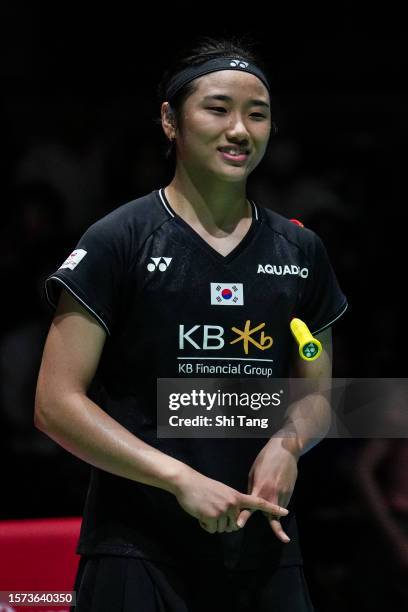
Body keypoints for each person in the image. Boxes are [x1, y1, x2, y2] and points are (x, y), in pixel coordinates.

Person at [35, 37, 348, 612]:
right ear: (169, 121)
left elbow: (319, 394)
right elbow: (56, 403)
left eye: (258, 115)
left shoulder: (300, 250)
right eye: (218, 108)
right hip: (137, 551)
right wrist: (179, 478)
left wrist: (288, 443)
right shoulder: (119, 240)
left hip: (266, 550)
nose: (240, 130)